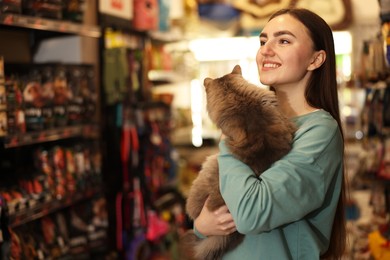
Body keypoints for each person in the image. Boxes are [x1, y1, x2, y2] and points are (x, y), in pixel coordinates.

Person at [193, 8, 347, 260]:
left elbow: (250, 214)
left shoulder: (319, 131)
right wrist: (201, 226)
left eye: (283, 40)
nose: (266, 50)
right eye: (263, 41)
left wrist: (233, 136)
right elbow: (219, 204)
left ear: (315, 59)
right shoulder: (255, 120)